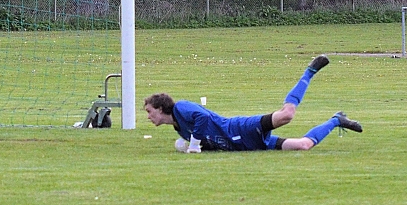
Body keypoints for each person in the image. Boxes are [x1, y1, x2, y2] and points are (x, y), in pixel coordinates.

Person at [143, 55, 362, 152]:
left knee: (286, 115)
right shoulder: (179, 129)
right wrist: (192, 145)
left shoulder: (181, 108)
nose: (148, 116)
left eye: (149, 111)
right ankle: (336, 120)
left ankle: (309, 72)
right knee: (303, 145)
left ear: (161, 108)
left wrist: (193, 143)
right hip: (248, 145)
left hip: (241, 128)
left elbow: (204, 117)